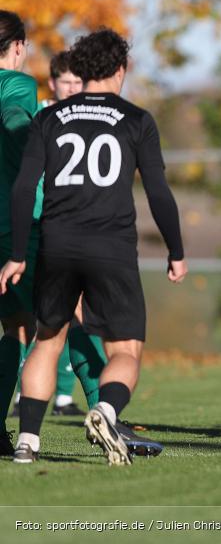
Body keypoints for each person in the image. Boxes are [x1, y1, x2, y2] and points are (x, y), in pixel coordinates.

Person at [1, 28, 188, 465]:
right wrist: (175, 250)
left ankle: (27, 442)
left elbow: (24, 187)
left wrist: (16, 255)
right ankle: (105, 411)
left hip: (56, 243)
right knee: (125, 349)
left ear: (80, 70)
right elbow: (159, 192)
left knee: (47, 341)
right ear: (120, 70)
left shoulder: (49, 119)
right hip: (112, 246)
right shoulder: (137, 119)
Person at [12, 49, 107, 418]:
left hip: (70, 228)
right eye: (65, 80)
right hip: (41, 227)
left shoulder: (90, 120)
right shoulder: (37, 116)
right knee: (42, 321)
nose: (71, 87)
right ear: (52, 82)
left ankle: (70, 402)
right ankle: (99, 409)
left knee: (71, 318)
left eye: (76, 81)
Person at [0, 10, 39, 457]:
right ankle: (109, 413)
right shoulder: (19, 85)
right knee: (63, 317)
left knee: (13, 328)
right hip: (14, 224)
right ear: (17, 47)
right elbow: (15, 117)